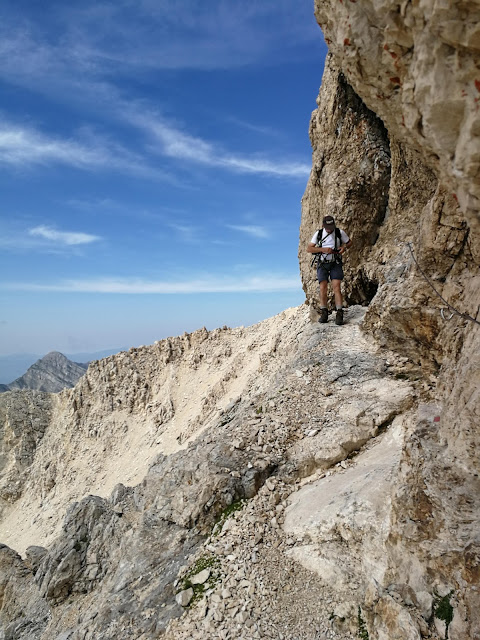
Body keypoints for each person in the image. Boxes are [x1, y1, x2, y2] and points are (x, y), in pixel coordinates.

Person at [307, 215, 352, 325]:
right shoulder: (318, 234)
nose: (329, 229)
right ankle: (324, 312)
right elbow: (309, 248)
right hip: (322, 263)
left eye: (331, 226)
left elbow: (349, 242)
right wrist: (323, 249)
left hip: (335, 262)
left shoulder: (339, 232)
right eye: (327, 227)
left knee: (336, 287)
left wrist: (343, 248)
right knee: (323, 287)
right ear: (323, 225)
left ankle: (339, 312)